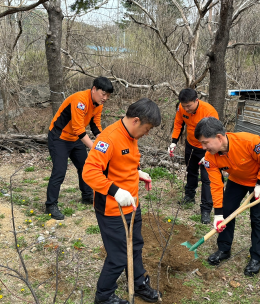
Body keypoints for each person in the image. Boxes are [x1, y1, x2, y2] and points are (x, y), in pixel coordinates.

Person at [83, 98, 162, 304]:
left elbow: (122, 164)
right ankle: (104, 296)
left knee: (135, 246)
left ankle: (138, 283)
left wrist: (137, 174)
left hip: (131, 205)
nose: (147, 133)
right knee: (118, 256)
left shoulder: (131, 135)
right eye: (147, 128)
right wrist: (115, 191)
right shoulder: (109, 138)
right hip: (111, 208)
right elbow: (89, 172)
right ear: (136, 121)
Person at [194, 117, 260, 276]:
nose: (203, 147)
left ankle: (257, 257)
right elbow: (216, 185)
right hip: (237, 180)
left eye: (205, 142)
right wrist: (217, 214)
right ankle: (224, 249)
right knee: (227, 211)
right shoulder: (211, 157)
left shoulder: (250, 142)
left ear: (219, 137)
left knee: (258, 217)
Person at [45, 77, 114, 220]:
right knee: (59, 171)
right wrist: (96, 148)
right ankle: (50, 205)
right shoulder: (80, 100)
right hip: (59, 137)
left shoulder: (98, 104)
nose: (105, 98)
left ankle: (87, 195)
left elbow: (95, 126)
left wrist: (103, 143)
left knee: (85, 166)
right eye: (103, 94)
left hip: (74, 139)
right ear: (94, 89)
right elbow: (79, 129)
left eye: (108, 95)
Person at [168, 88, 219, 224]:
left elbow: (214, 137)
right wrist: (174, 142)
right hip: (190, 145)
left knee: (206, 178)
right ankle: (189, 196)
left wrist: (208, 154)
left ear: (196, 100)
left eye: (189, 106)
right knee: (191, 171)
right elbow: (178, 123)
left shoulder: (209, 112)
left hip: (206, 148)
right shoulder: (181, 108)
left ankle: (206, 210)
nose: (186, 109)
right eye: (184, 106)